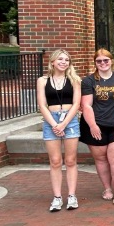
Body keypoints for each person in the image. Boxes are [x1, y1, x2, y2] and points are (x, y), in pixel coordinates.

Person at [80, 49, 114, 205]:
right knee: (101, 159)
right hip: (95, 125)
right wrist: (93, 126)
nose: (102, 63)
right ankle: (107, 188)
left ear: (111, 61)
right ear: (95, 63)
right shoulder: (89, 81)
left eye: (105, 60)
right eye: (99, 61)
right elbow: (86, 105)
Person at [37, 49, 82, 212]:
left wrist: (64, 124)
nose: (64, 62)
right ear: (53, 62)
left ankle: (71, 195)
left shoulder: (75, 80)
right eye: (60, 59)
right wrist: (55, 124)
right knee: (55, 161)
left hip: (70, 121)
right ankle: (57, 197)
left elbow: (77, 104)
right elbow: (42, 105)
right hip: (51, 120)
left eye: (67, 60)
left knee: (70, 160)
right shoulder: (42, 80)